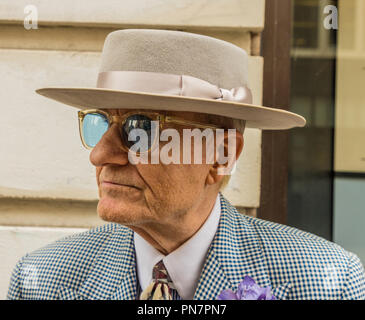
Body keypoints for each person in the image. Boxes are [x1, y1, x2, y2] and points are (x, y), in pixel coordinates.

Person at [7, 29, 365, 300]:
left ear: (221, 155)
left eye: (140, 129)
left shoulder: (327, 281)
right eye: (101, 122)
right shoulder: (42, 280)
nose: (100, 155)